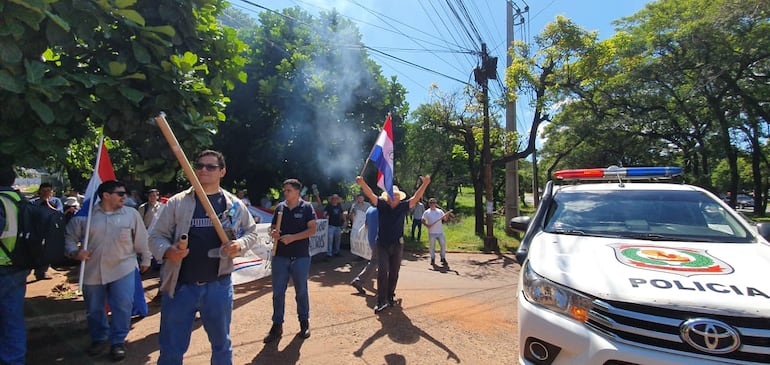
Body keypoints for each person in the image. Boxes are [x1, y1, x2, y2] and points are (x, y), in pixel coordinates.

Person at [149, 150, 259, 365]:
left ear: (222, 172)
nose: (203, 170)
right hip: (180, 287)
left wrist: (239, 245)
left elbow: (251, 232)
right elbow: (155, 236)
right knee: (171, 348)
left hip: (217, 287)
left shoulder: (233, 205)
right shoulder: (177, 202)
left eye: (211, 167)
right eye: (199, 166)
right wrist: (169, 251)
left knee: (221, 345)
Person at [64, 180, 152, 361]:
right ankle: (99, 338)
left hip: (124, 267)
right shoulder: (86, 216)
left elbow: (142, 239)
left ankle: (118, 341)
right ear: (105, 195)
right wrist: (75, 252)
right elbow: (70, 238)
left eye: (124, 193)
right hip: (93, 269)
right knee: (94, 309)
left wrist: (146, 258)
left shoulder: (131, 214)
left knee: (123, 305)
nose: (124, 197)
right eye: (120, 193)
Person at [356, 175, 431, 313]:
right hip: (382, 244)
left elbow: (415, 198)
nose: (393, 198)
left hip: (397, 244)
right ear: (387, 197)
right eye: (391, 196)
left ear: (399, 197)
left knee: (394, 272)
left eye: (395, 196)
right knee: (383, 270)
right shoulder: (382, 205)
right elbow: (371, 195)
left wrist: (425, 184)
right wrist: (362, 183)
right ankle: (381, 301)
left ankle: (390, 296)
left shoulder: (403, 206)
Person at [263, 178, 317, 343]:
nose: (285, 193)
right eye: (284, 190)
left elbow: (312, 230)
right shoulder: (280, 207)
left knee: (301, 291)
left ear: (297, 192)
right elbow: (273, 227)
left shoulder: (307, 207)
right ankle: (277, 325)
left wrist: (293, 238)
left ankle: (304, 322)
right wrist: (274, 232)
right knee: (278, 293)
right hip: (280, 256)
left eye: (289, 191)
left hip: (300, 256)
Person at [0, 164, 30, 365]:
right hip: (19, 265)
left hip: (3, 266)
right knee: (12, 317)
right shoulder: (21, 201)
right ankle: (15, 360)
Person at [31, 182, 64, 280]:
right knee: (36, 250)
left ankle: (42, 271)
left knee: (47, 250)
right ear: (39, 192)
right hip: (36, 229)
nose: (46, 193)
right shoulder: (33, 202)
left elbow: (59, 213)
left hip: (51, 229)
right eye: (44, 191)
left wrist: (48, 203)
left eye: (48, 191)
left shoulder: (56, 201)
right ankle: (36, 270)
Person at [350, 206, 378, 295]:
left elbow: (366, 226)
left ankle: (359, 281)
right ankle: (386, 290)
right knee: (382, 264)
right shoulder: (383, 211)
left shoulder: (369, 210)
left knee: (374, 262)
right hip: (382, 242)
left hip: (373, 241)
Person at [423, 198, 449, 266]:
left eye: (433, 203)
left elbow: (445, 219)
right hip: (432, 232)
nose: (432, 204)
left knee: (443, 245)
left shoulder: (440, 211)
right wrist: (427, 225)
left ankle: (443, 258)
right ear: (429, 204)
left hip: (440, 232)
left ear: (435, 204)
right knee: (432, 246)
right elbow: (423, 220)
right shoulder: (427, 212)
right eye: (431, 203)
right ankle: (432, 258)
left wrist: (447, 215)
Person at [324, 194, 345, 258]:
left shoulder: (339, 205)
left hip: (338, 225)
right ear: (332, 199)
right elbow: (325, 214)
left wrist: (344, 220)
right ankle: (329, 253)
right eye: (334, 199)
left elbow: (341, 213)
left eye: (336, 199)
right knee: (330, 240)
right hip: (331, 225)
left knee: (337, 240)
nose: (335, 200)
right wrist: (325, 216)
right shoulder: (328, 206)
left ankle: (336, 251)